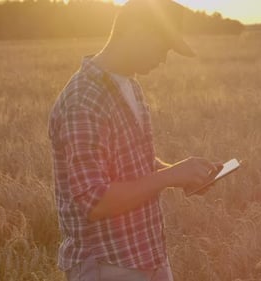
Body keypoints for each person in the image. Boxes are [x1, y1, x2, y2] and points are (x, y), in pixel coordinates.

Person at [48, 0, 222, 280]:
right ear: (138, 30)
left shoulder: (130, 85)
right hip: (108, 265)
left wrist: (182, 174)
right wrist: (170, 177)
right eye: (163, 45)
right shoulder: (83, 101)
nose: (164, 58)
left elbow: (134, 162)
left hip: (147, 255)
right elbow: (95, 202)